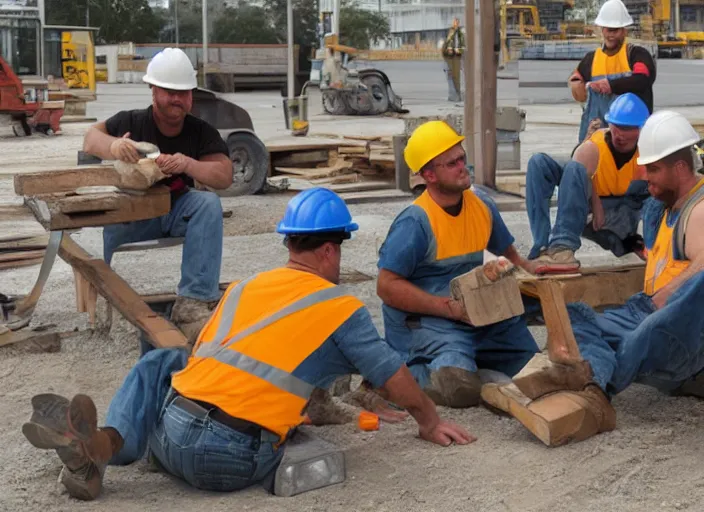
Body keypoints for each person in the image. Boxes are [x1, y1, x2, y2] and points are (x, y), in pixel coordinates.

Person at [20, 188, 474, 502]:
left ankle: (108, 445)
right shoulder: (339, 305)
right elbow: (392, 376)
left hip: (168, 433)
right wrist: (429, 421)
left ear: (290, 242)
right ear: (332, 250)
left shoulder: (244, 287)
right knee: (200, 379)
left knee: (165, 360)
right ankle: (99, 447)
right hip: (225, 460)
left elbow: (212, 359)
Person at [500, 111, 704, 442]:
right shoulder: (667, 203)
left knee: (631, 339)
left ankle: (595, 384)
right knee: (576, 317)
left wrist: (669, 296)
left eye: (652, 169)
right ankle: (592, 379)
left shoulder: (698, 209)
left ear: (680, 168)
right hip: (645, 309)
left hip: (669, 321)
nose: (644, 175)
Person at [375, 120, 540, 408]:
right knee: (458, 387)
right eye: (451, 164)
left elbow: (510, 258)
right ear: (429, 175)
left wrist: (535, 272)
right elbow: (386, 287)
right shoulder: (416, 222)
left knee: (535, 373)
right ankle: (389, 378)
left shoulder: (482, 205)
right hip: (431, 322)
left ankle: (477, 364)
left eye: (461, 158)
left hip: (479, 317)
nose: (463, 167)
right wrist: (447, 309)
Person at [82, 48, 233, 343]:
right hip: (134, 216)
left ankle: (193, 302)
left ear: (191, 95)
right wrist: (114, 146)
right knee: (111, 221)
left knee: (207, 204)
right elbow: (90, 139)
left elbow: (224, 175)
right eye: (169, 91)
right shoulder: (132, 122)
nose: (177, 99)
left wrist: (189, 164)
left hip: (176, 211)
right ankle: (112, 299)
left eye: (183, 92)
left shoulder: (200, 131)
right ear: (153, 91)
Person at [525, 93, 651, 274]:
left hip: (623, 213)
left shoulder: (647, 153)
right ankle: (552, 247)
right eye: (616, 126)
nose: (619, 134)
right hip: (589, 205)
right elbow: (576, 172)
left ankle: (651, 247)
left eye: (627, 129)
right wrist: (595, 202)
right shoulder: (596, 143)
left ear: (641, 129)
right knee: (539, 163)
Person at [568, 0, 656, 143]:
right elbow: (576, 77)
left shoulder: (636, 54)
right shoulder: (592, 59)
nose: (611, 34)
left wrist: (611, 85)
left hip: (632, 134)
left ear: (624, 31)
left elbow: (642, 78)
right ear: (602, 30)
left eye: (615, 30)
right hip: (598, 135)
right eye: (608, 29)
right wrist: (576, 84)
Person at [442, 18, 465, 102]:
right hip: (450, 58)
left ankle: (457, 95)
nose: (455, 24)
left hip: (456, 57)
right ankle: (453, 95)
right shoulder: (450, 32)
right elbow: (446, 45)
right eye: (454, 22)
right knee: (451, 76)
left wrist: (459, 50)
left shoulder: (460, 33)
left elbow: (463, 46)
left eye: (457, 22)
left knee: (456, 77)